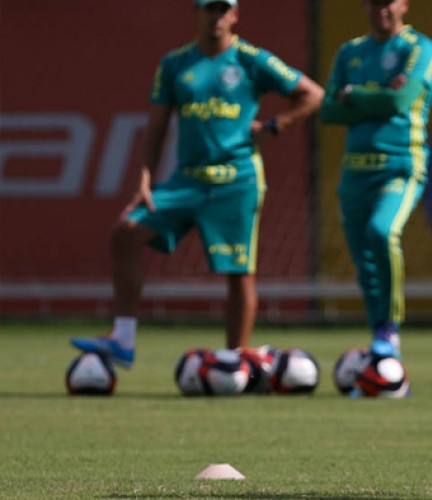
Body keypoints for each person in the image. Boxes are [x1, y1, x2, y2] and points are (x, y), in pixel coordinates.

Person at [71, 0, 324, 368]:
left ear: (235, 15)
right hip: (185, 181)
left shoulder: (252, 60)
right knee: (125, 232)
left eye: (224, 9)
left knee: (239, 272)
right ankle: (123, 339)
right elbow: (156, 128)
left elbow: (313, 94)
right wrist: (144, 180)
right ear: (198, 12)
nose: (217, 16)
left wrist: (274, 126)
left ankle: (234, 361)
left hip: (236, 180)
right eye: (210, 9)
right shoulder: (176, 64)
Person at [319, 0, 432, 367]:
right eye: (372, 2)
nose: (380, 9)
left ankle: (390, 327)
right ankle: (379, 341)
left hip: (399, 167)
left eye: (388, 2)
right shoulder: (350, 51)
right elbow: (327, 110)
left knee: (381, 232)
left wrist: (354, 95)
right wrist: (378, 97)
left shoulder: (420, 48)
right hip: (355, 170)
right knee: (364, 263)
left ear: (404, 4)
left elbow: (400, 101)